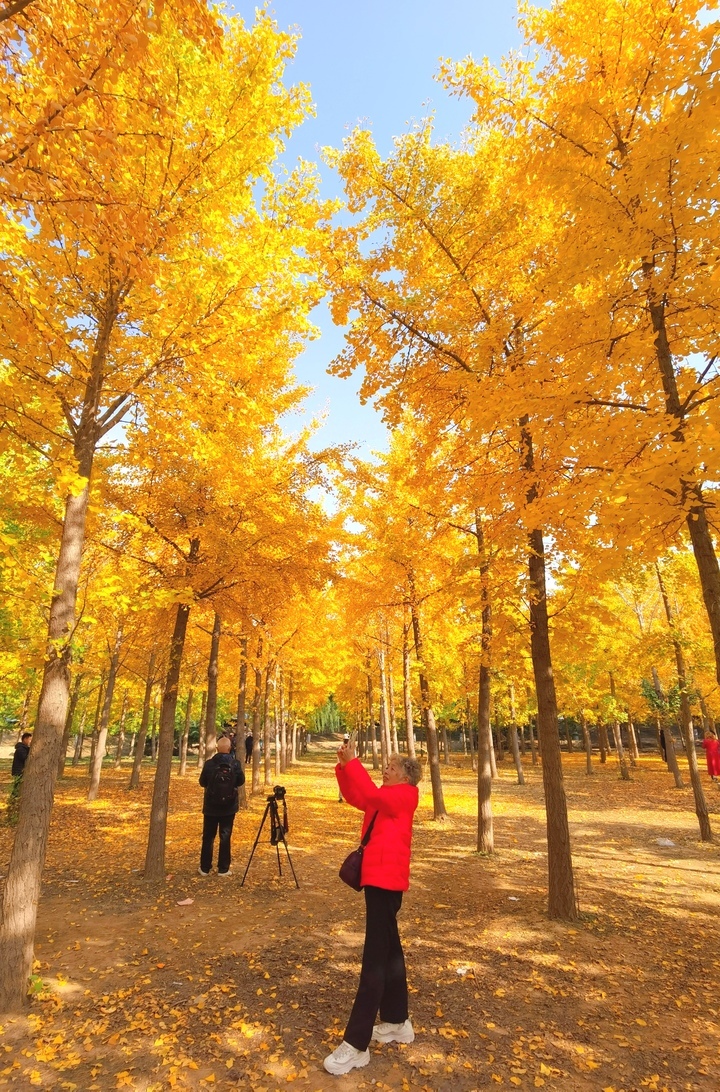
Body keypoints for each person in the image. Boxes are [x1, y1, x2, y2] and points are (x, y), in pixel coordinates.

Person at [323, 740, 421, 1077]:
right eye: (386, 765)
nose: (386, 769)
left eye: (392, 767)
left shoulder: (405, 796)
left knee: (374, 961)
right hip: (377, 880)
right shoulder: (384, 797)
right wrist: (343, 767)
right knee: (390, 952)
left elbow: (373, 795)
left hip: (386, 882)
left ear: (406, 776)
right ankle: (396, 1022)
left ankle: (356, 1044)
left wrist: (354, 763)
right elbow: (358, 797)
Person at [198, 736, 245, 876]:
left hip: (211, 808)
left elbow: (202, 782)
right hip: (229, 808)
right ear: (230, 748)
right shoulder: (235, 764)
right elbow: (241, 781)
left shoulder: (209, 764)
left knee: (208, 837)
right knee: (225, 837)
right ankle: (223, 869)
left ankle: (205, 868)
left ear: (217, 749)